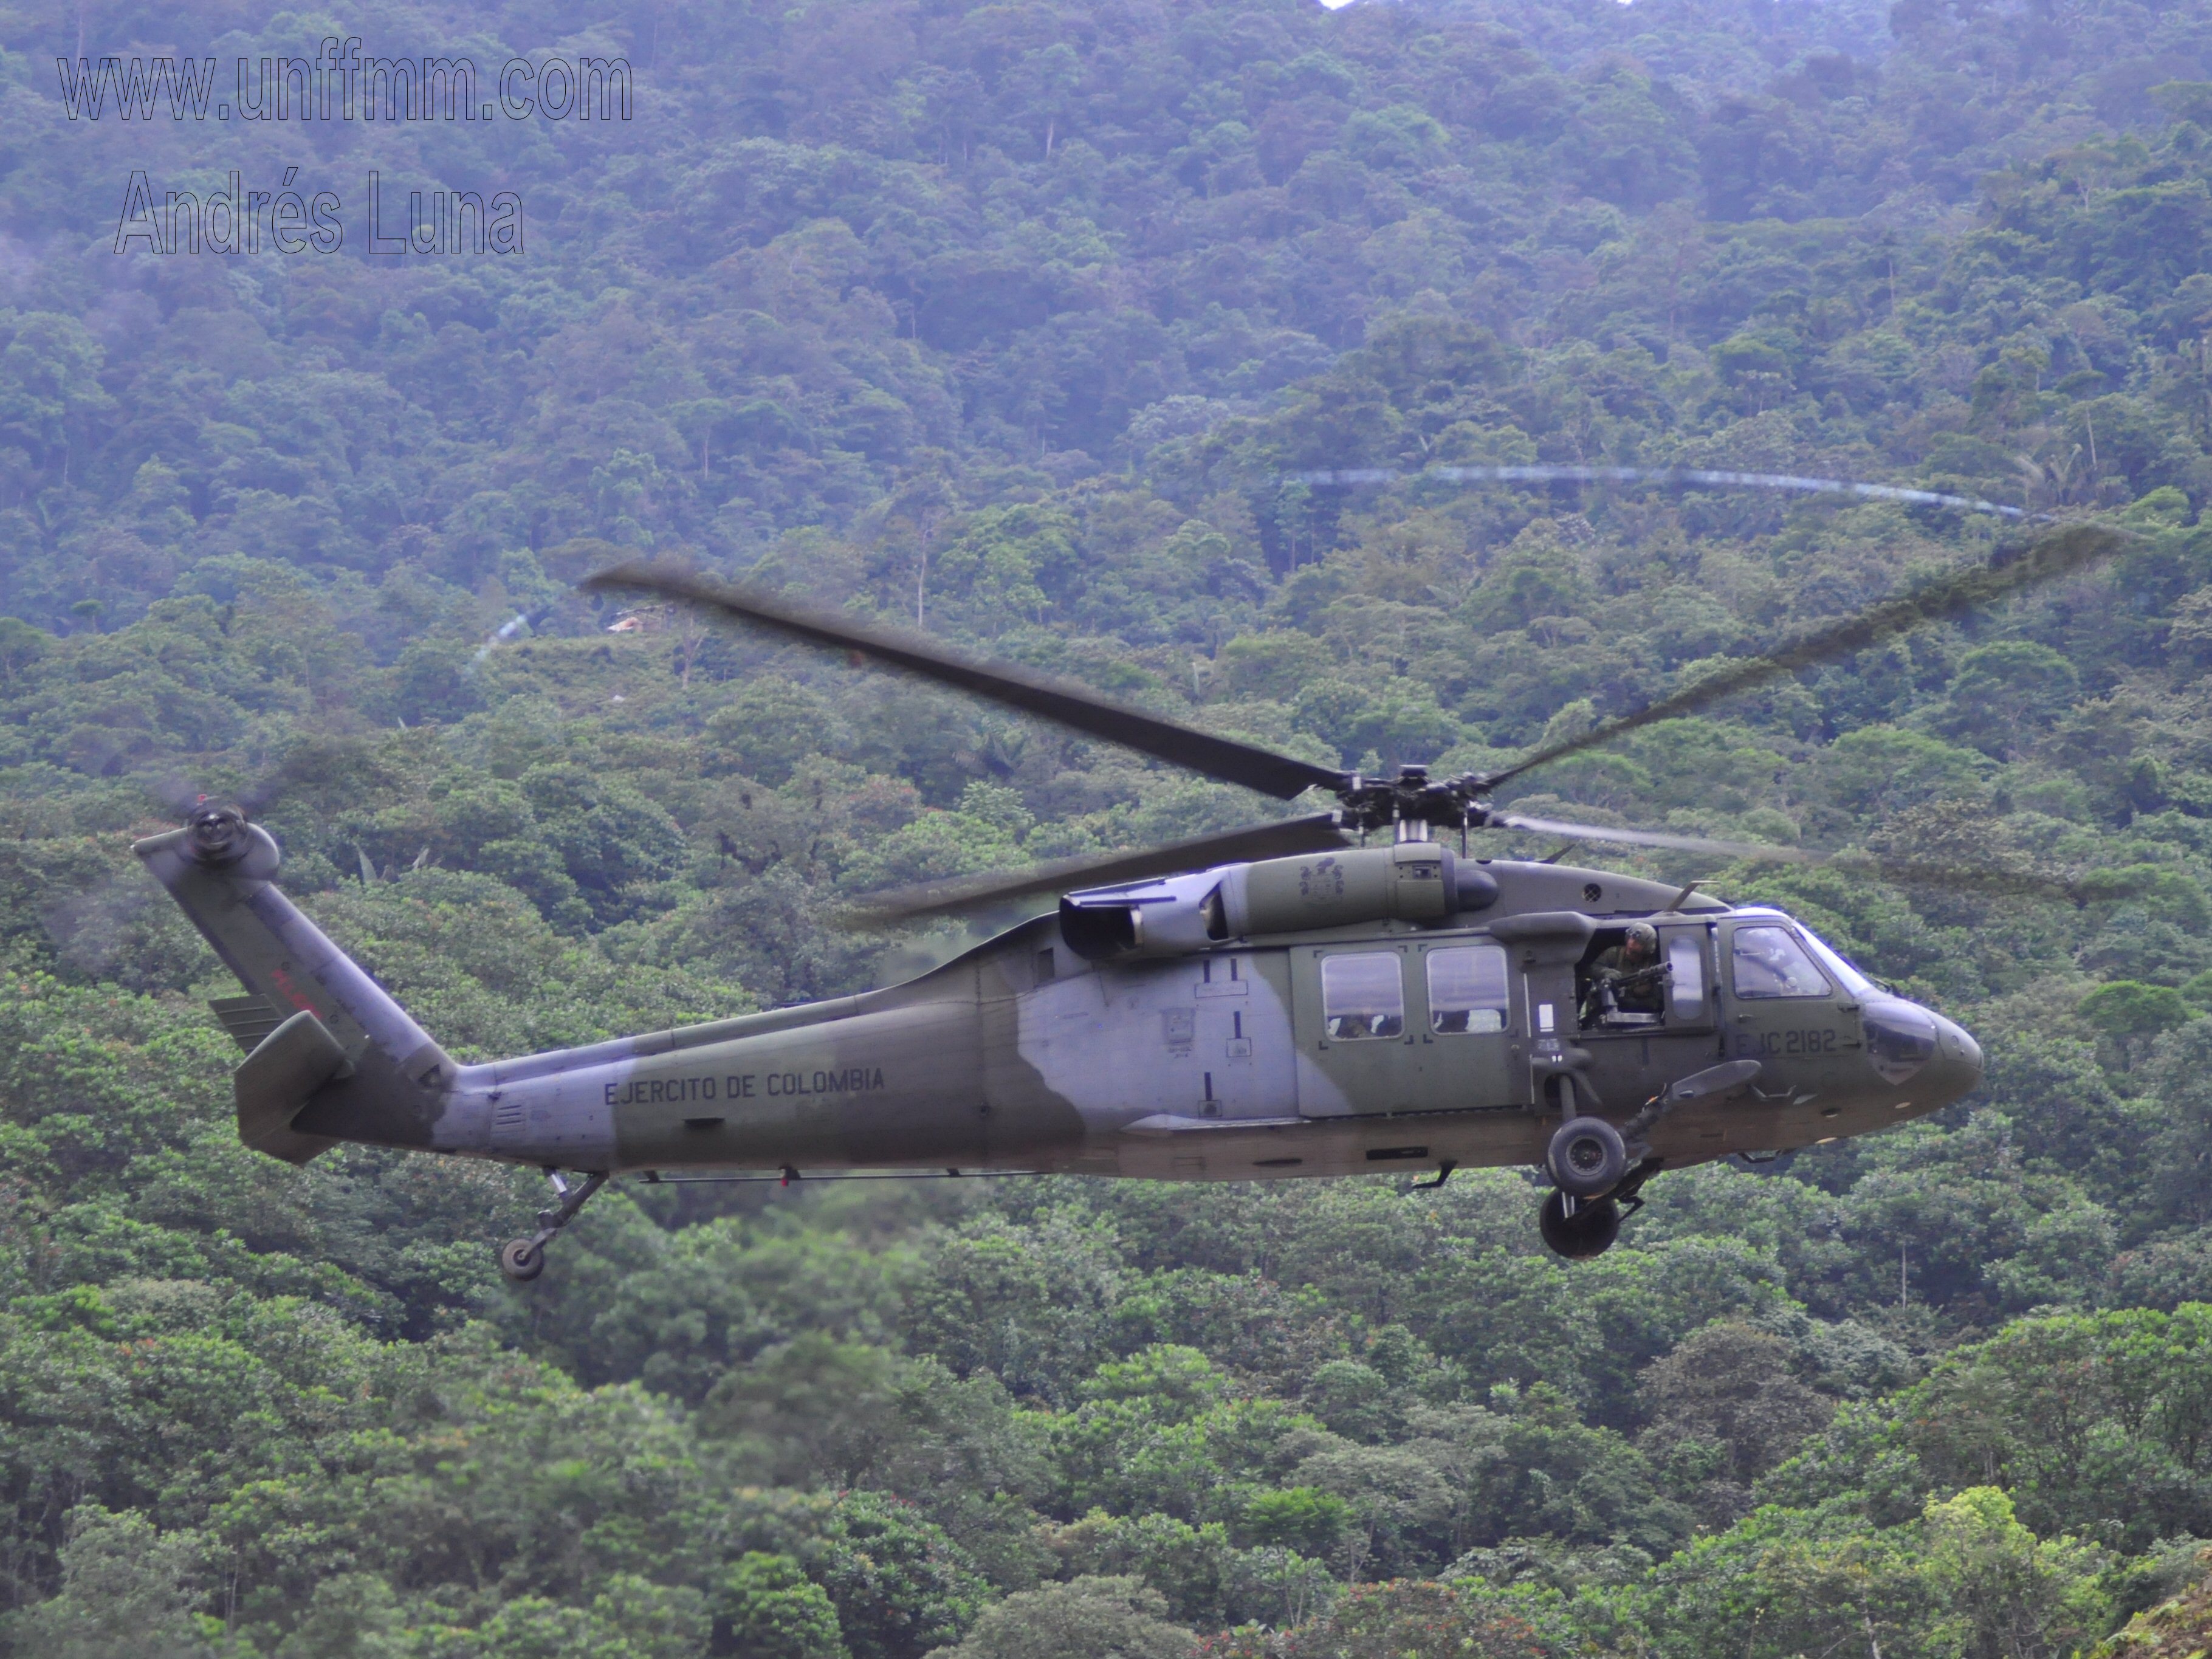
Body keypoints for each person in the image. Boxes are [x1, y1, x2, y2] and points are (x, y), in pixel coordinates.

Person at [1584, 922, 1667, 1025]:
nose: (1632, 944)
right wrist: (1605, 972)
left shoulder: (1653, 964)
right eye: (1631, 939)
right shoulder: (1614, 953)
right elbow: (1591, 969)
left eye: (1638, 942)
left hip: (1642, 1016)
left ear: (1646, 948)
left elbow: (1656, 1003)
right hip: (1606, 1013)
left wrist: (1635, 995)